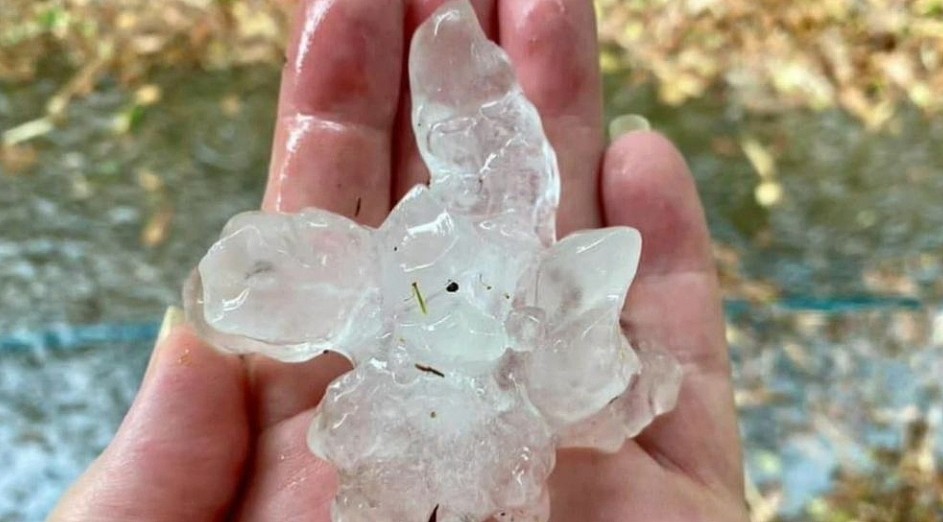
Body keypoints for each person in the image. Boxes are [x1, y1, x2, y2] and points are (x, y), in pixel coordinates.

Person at [50, 0, 749, 520]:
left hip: (530, 357)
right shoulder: (376, 311)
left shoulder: (455, 254)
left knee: (600, 382)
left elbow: (496, 157)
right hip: (496, 371)